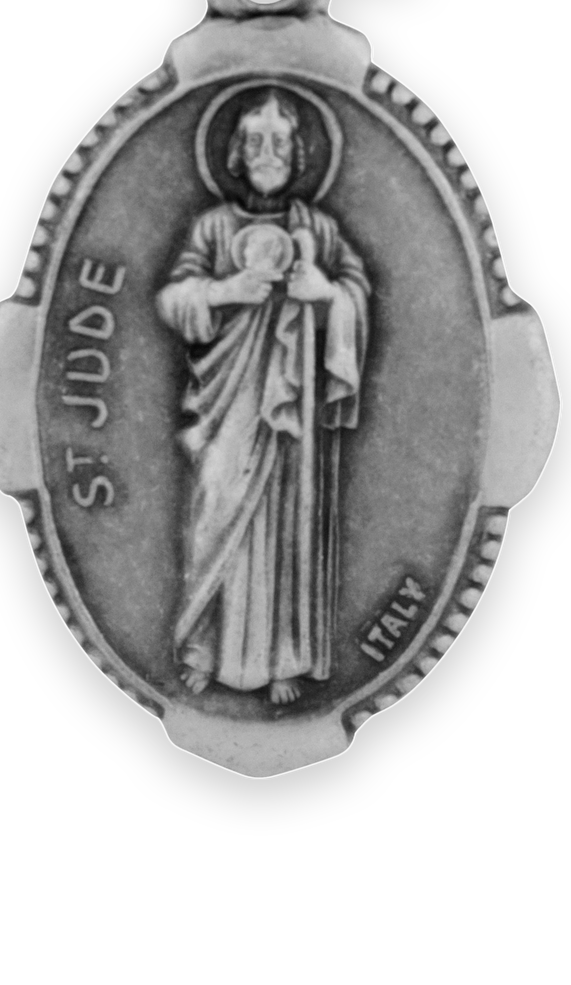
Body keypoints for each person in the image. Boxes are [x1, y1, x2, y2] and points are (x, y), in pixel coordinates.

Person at [156, 89, 369, 704]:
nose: (266, 153)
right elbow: (172, 298)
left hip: (294, 415)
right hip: (226, 405)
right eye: (254, 141)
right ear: (235, 153)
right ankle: (202, 645)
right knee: (216, 503)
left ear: (298, 154)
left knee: (290, 521)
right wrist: (226, 291)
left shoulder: (319, 231)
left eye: (279, 142)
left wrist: (325, 293)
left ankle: (284, 661)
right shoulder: (213, 227)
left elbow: (356, 296)